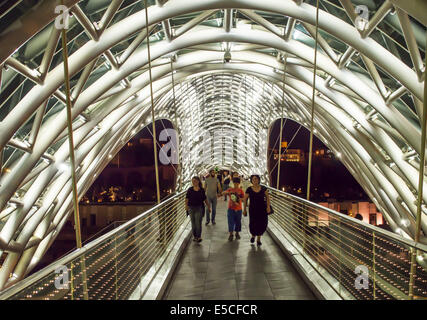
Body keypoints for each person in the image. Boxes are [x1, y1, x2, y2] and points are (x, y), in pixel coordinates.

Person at [243, 175, 271, 246]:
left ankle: (258, 239)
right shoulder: (249, 189)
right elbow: (245, 199)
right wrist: (244, 210)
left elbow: (268, 198)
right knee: (253, 223)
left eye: (256, 179)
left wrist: (268, 207)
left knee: (262, 223)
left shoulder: (264, 188)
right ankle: (253, 235)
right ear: (251, 181)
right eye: (253, 179)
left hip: (262, 209)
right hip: (253, 209)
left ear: (259, 180)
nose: (255, 180)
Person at [185, 176, 211, 242]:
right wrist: (186, 206)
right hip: (191, 208)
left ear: (198, 181)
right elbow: (187, 198)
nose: (194, 182)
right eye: (193, 181)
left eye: (195, 181)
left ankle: (199, 236)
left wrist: (208, 207)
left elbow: (205, 199)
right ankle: (195, 236)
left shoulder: (201, 190)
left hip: (199, 208)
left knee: (198, 223)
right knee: (193, 224)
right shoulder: (190, 189)